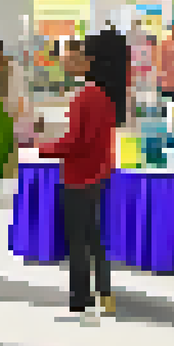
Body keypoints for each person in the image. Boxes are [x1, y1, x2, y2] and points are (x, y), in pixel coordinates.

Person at [36, 29, 125, 320]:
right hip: (99, 174)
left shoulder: (83, 97)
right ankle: (105, 292)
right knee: (95, 237)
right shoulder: (108, 97)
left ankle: (79, 297)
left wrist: (44, 148)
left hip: (77, 176)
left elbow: (75, 142)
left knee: (77, 240)